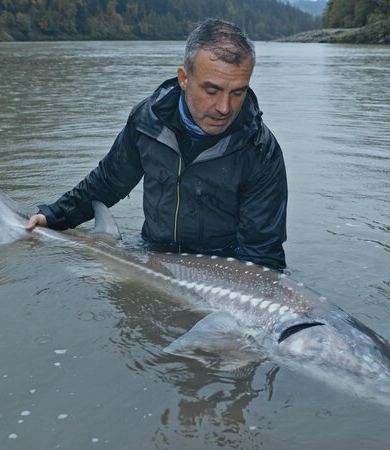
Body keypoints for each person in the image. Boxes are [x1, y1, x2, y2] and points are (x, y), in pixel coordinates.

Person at [25, 18, 288, 270]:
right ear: (184, 78)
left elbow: (262, 253)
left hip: (221, 269)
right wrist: (54, 216)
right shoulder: (148, 122)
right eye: (211, 91)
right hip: (152, 253)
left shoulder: (261, 151)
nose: (224, 107)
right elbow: (108, 182)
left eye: (238, 92)